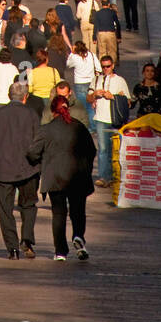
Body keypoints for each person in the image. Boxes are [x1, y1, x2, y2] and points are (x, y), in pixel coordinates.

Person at [28, 93, 96, 260]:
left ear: (52, 111)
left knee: (58, 213)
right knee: (78, 210)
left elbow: (32, 152)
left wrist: (40, 162)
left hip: (55, 177)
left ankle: (60, 251)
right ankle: (78, 236)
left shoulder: (46, 129)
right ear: (68, 109)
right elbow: (92, 150)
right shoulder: (79, 127)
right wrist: (84, 167)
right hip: (77, 176)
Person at [0, 80, 41, 259]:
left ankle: (12, 247)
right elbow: (39, 141)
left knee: (5, 209)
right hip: (28, 168)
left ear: (9, 96)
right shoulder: (32, 115)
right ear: (25, 97)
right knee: (29, 205)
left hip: (4, 168)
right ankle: (27, 239)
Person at [88, 56, 131, 185]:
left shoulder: (120, 81)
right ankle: (104, 177)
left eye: (108, 66)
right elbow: (88, 98)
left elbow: (128, 102)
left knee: (116, 149)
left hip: (115, 119)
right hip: (101, 118)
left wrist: (112, 96)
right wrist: (95, 95)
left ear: (112, 66)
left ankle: (116, 176)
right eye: (103, 67)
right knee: (103, 149)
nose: (105, 69)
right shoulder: (96, 79)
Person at [27, 49, 63, 118]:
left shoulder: (32, 72)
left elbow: (30, 89)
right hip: (51, 99)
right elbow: (58, 85)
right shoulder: (53, 71)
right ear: (46, 59)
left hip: (37, 100)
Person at [65, 41, 100, 111]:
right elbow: (99, 68)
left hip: (79, 83)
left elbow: (68, 64)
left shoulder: (74, 57)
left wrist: (71, 53)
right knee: (91, 107)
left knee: (82, 108)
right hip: (91, 81)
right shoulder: (92, 55)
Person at [91, 0, 121, 66]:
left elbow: (96, 25)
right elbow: (117, 24)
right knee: (112, 51)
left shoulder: (98, 13)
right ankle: (112, 65)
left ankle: (102, 66)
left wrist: (94, 37)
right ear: (109, 4)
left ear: (101, 4)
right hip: (111, 33)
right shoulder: (112, 12)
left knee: (102, 51)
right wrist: (119, 36)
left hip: (101, 34)